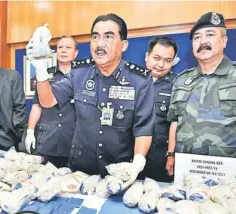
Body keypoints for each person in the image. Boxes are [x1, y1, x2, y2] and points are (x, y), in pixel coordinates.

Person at [26, 13, 155, 185]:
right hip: (80, 170)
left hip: (119, 171)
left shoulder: (139, 80)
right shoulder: (79, 73)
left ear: (124, 45)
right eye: (95, 37)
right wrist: (41, 68)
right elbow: (47, 101)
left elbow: (144, 129)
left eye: (108, 36)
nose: (100, 44)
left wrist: (138, 162)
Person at [168, 12, 236, 160]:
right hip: (186, 168)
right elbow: (174, 121)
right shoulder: (181, 80)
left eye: (210, 35)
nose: (203, 41)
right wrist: (170, 155)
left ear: (224, 41)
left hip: (230, 171)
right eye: (197, 37)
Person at [25, 35, 79, 168]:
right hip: (49, 139)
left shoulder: (83, 77)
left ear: (76, 53)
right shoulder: (45, 75)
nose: (63, 50)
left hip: (74, 141)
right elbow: (37, 105)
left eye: (68, 47)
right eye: (60, 47)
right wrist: (30, 132)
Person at [138, 36, 178, 182]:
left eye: (168, 60)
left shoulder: (177, 84)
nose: (161, 64)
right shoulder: (132, 80)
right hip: (130, 154)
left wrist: (171, 155)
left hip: (160, 157)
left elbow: (177, 122)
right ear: (147, 56)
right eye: (156, 58)